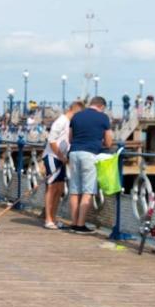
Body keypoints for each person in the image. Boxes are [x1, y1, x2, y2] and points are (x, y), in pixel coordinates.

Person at [66, 96, 113, 232]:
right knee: (88, 190)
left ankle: (74, 223)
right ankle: (80, 225)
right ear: (102, 106)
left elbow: (70, 138)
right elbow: (109, 142)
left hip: (74, 153)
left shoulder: (76, 116)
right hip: (90, 154)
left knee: (74, 190)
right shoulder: (103, 117)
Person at [43, 101, 83, 229]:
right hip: (52, 157)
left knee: (59, 189)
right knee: (52, 187)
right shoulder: (61, 121)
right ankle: (48, 219)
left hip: (61, 159)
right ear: (75, 111)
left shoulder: (69, 123)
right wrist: (61, 156)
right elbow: (51, 140)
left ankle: (53, 218)